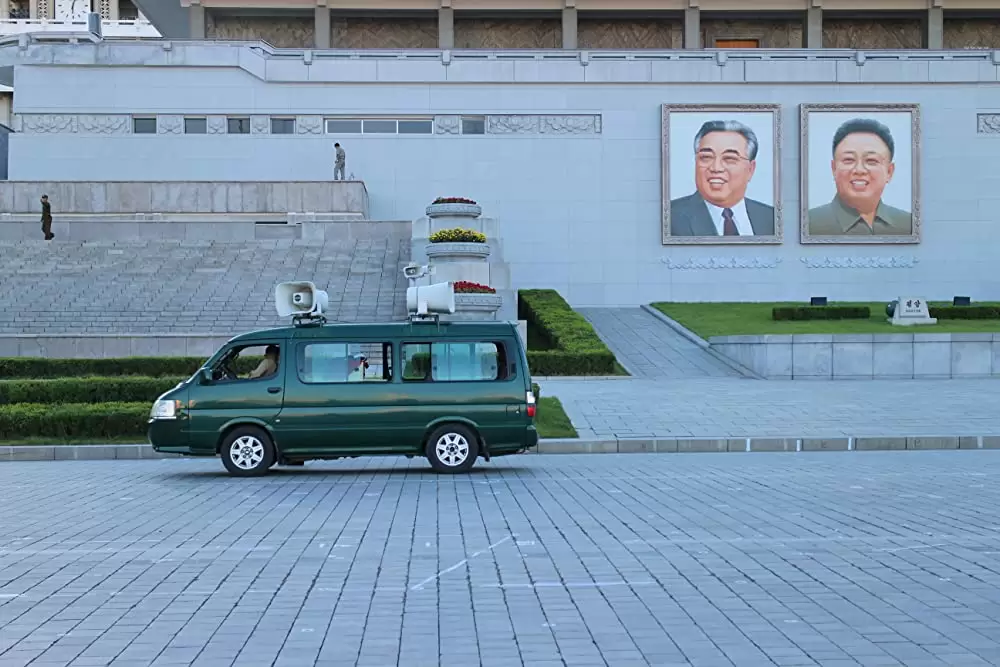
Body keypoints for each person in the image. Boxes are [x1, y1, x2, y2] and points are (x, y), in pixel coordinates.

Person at [807, 118, 912, 236]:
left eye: (871, 161)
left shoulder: (909, 225)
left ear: (889, 172)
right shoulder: (808, 224)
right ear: (834, 168)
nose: (859, 170)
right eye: (849, 160)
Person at [670, 120, 775, 237]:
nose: (716, 168)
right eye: (706, 157)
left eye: (729, 158)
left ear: (750, 169)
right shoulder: (669, 217)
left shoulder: (772, 218)